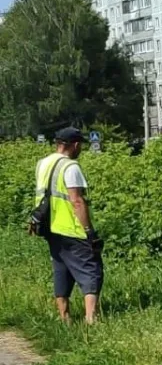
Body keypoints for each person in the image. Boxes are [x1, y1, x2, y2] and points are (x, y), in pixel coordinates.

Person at [32, 127, 103, 324]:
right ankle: (91, 319)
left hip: (50, 228)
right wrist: (89, 231)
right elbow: (77, 201)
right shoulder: (71, 167)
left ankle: (64, 318)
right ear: (76, 145)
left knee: (61, 270)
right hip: (71, 228)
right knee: (91, 268)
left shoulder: (43, 163)